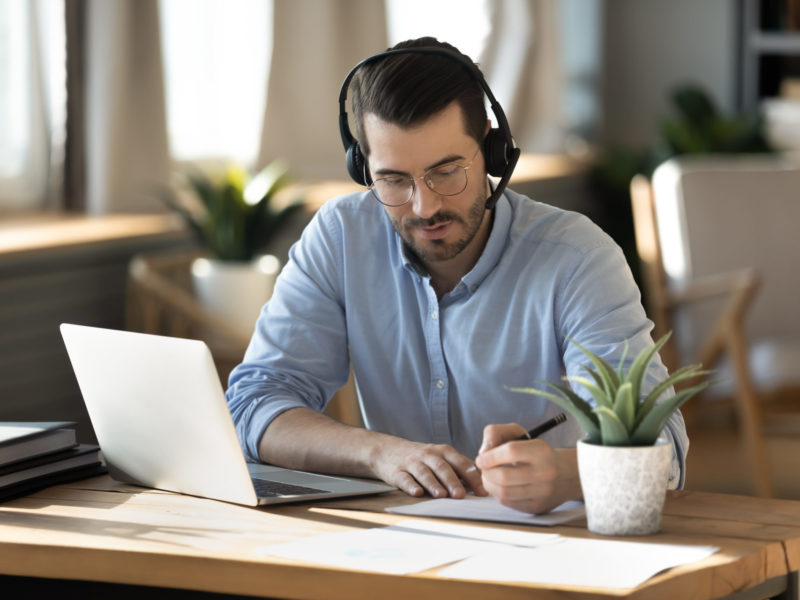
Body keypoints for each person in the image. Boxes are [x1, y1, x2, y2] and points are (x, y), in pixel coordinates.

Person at [226, 37, 688, 515]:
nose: (425, 207)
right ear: (363, 168)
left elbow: (664, 450)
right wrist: (381, 453)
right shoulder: (341, 236)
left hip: (553, 548)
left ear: (492, 148)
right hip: (400, 544)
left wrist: (566, 474)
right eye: (394, 180)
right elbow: (255, 404)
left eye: (446, 171)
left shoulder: (577, 258)